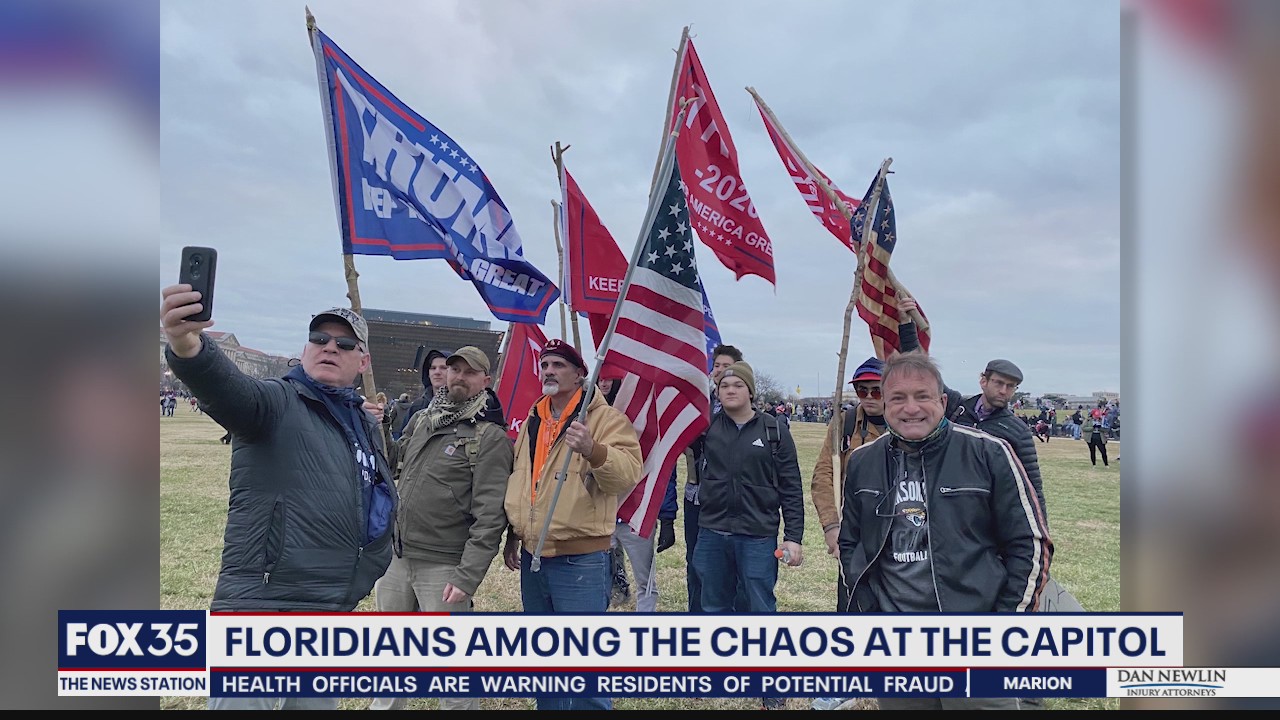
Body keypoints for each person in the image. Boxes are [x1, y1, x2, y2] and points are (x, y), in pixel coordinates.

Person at [160, 286, 396, 711]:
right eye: (319, 339)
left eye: (344, 344)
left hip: (329, 612)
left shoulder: (361, 421)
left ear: (362, 363)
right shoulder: (279, 400)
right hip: (265, 608)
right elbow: (231, 390)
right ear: (304, 349)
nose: (329, 348)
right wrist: (187, 346)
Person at [839, 352, 1051, 711]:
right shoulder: (862, 462)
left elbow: (1030, 545)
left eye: (922, 396)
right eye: (898, 398)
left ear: (942, 401)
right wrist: (870, 612)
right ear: (885, 405)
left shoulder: (989, 452)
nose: (911, 408)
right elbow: (851, 544)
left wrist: (1003, 627)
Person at [368, 347, 513, 711]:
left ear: (485, 380)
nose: (459, 377)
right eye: (454, 370)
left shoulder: (490, 437)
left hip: (445, 567)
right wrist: (381, 425)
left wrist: (467, 576)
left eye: (469, 372)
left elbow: (490, 517)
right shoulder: (423, 420)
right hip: (398, 558)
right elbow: (391, 463)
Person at [502, 340, 641, 711]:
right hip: (534, 558)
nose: (549, 370)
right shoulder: (534, 417)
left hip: (580, 561)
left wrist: (594, 450)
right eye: (545, 363)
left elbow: (627, 474)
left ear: (580, 374)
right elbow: (524, 481)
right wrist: (515, 534)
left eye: (559, 364)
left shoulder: (605, 419)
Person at [695, 361, 803, 711]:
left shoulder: (773, 430)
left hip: (757, 535)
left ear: (750, 391)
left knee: (760, 609)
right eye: (724, 385)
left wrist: (794, 536)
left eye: (737, 385)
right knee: (713, 605)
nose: (729, 390)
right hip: (712, 531)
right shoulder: (705, 428)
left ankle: (772, 689)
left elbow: (791, 486)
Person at [597, 376, 679, 612]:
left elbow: (663, 473)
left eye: (608, 379)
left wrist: (667, 518)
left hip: (637, 512)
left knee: (645, 580)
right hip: (605, 512)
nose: (603, 383)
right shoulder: (595, 416)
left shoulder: (647, 422)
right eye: (599, 378)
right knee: (600, 577)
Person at [682, 344, 747, 613]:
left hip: (728, 497)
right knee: (695, 559)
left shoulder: (741, 409)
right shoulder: (699, 402)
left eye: (726, 366)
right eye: (717, 365)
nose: (719, 371)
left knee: (727, 563)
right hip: (695, 493)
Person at [392, 348, 451, 442]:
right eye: (433, 368)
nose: (437, 372)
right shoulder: (417, 406)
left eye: (443, 368)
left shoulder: (462, 406)